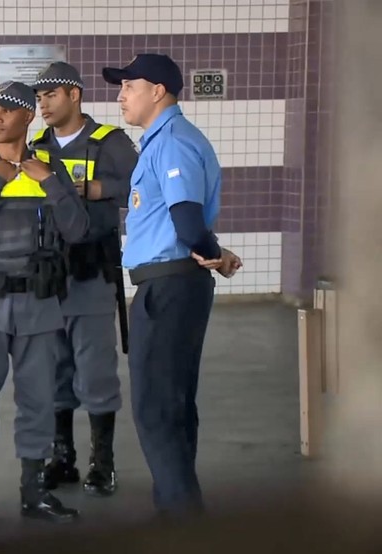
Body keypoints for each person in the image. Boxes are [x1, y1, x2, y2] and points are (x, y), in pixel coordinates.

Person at [101, 53, 242, 517]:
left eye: (129, 86)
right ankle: (177, 508)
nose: (121, 95)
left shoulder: (173, 142)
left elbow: (185, 217)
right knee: (174, 406)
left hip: (168, 288)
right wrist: (215, 253)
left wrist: (208, 249)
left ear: (157, 90)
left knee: (158, 408)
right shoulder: (163, 141)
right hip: (173, 284)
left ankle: (183, 522)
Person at [0, 80, 90, 531]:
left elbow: (78, 229)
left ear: (28, 116)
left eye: (6, 111)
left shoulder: (51, 168)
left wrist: (50, 183)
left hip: (38, 302)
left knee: (38, 401)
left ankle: (34, 492)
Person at [30, 62, 139, 496]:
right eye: (38, 98)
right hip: (47, 278)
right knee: (55, 371)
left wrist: (92, 189)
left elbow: (138, 183)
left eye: (51, 95)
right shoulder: (35, 147)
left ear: (74, 95)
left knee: (95, 372)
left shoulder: (108, 142)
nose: (43, 105)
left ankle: (103, 461)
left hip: (92, 273)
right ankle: (64, 458)